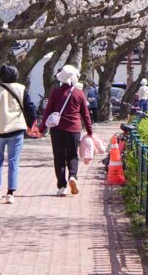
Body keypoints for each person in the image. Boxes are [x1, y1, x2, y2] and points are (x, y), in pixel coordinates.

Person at [0, 65, 37, 204]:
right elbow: (30, 108)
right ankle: (11, 193)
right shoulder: (22, 89)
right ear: (16, 75)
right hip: (17, 129)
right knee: (13, 161)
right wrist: (30, 125)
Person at [42, 65, 93, 197]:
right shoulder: (79, 93)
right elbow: (85, 114)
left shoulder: (55, 92)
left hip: (57, 129)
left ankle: (62, 186)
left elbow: (48, 111)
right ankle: (73, 176)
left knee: (58, 157)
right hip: (74, 129)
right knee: (72, 155)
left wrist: (42, 128)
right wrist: (89, 131)